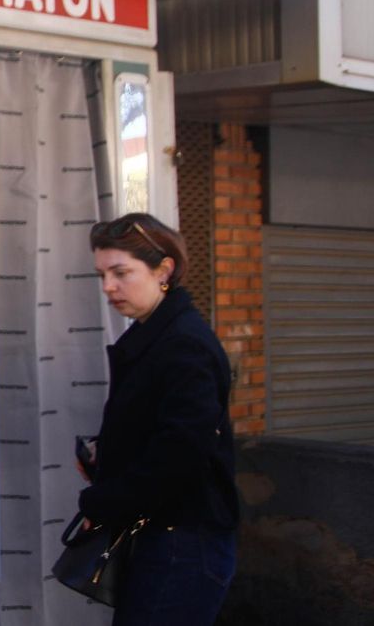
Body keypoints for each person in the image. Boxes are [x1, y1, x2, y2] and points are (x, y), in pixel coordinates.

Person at [77, 213, 237, 626]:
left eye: (121, 272)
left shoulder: (184, 343)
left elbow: (181, 453)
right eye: (102, 274)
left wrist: (104, 498)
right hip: (162, 538)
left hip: (181, 544)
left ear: (164, 269)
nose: (109, 287)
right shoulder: (156, 335)